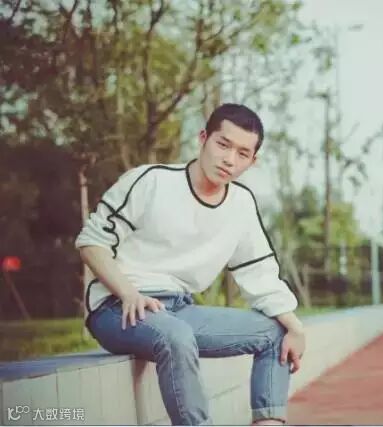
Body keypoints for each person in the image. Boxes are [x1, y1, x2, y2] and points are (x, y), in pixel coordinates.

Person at [75, 103, 305, 426]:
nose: (229, 159)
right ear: (203, 138)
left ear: (253, 161)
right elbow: (91, 242)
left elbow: (259, 274)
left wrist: (295, 327)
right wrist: (128, 293)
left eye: (242, 153)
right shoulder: (151, 181)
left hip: (178, 310)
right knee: (177, 334)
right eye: (223, 144)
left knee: (276, 332)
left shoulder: (241, 204)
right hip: (117, 307)